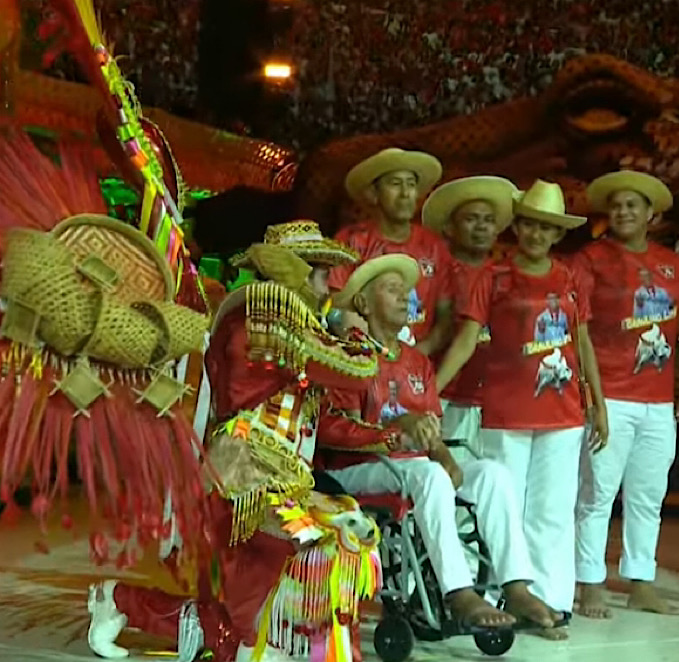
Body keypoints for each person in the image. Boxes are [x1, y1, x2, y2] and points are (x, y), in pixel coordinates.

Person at [88, 222, 383, 662]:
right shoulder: (266, 318)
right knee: (270, 562)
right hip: (244, 472)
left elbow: (318, 420)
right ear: (294, 271)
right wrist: (356, 332)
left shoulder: (289, 321)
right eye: (322, 272)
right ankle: (245, 643)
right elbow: (353, 370)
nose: (330, 285)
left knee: (244, 591)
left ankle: (120, 601)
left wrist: (388, 437)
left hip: (276, 472)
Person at [316, 254, 565, 635]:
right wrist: (393, 430)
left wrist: (447, 456)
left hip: (411, 468)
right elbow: (330, 428)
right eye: (391, 290)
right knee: (429, 475)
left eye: (406, 292)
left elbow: (431, 427)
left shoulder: (417, 362)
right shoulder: (344, 355)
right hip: (356, 470)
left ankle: (515, 586)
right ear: (364, 304)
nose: (404, 299)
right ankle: (459, 593)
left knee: (492, 475)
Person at [436, 180, 609, 640]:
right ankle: (496, 598)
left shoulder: (571, 278)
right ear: (518, 226)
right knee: (503, 507)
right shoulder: (492, 277)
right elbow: (467, 339)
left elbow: (582, 342)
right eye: (528, 224)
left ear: (556, 234)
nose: (535, 233)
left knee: (553, 510)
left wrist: (599, 403)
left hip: (564, 410)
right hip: (507, 409)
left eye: (545, 227)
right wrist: (429, 394)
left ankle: (550, 600)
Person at [573, 171, 679, 619]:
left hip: (658, 400)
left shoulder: (673, 264)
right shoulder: (590, 259)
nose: (624, 212)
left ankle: (640, 581)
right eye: (617, 205)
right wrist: (592, 396)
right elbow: (578, 329)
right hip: (610, 395)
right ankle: (588, 580)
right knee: (597, 493)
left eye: (634, 205)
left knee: (649, 493)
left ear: (651, 213)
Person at [420, 175, 518, 451]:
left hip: (495, 401)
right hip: (445, 397)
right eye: (471, 219)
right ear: (449, 227)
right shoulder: (434, 272)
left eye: (488, 220)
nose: (481, 227)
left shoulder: (506, 275)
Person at [329, 148, 453, 355]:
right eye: (395, 184)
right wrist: (372, 354)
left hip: (418, 367)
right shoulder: (351, 241)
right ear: (374, 194)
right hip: (363, 360)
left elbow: (445, 317)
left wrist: (416, 356)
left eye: (411, 184)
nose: (405, 193)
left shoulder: (434, 246)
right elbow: (337, 307)